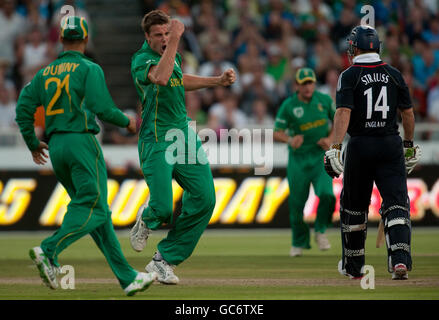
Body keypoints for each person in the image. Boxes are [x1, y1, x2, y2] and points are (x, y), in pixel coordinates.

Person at [15, 16, 157, 295]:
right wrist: (128, 122)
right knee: (94, 207)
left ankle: (127, 277)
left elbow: (23, 108)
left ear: (61, 40)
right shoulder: (89, 68)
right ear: (86, 39)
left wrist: (33, 142)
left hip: (56, 147)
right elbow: (100, 107)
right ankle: (49, 250)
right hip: (81, 141)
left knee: (96, 213)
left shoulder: (45, 73)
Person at [129, 10, 235, 284]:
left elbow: (177, 79)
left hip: (183, 135)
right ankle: (147, 216)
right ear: (147, 36)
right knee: (163, 209)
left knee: (205, 198)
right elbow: (162, 77)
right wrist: (176, 38)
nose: (164, 39)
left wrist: (216, 81)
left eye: (167, 33)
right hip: (156, 139)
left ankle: (163, 261)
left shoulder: (172, 56)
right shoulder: (140, 59)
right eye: (158, 35)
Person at [324, 25, 421, 280]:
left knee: (354, 207)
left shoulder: (349, 75)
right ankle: (400, 261)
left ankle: (354, 268)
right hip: (390, 145)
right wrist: (408, 145)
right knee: (397, 204)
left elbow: (343, 112)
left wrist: (335, 147)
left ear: (354, 49)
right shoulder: (395, 74)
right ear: (377, 47)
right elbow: (408, 114)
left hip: (361, 145)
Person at [273, 67, 336, 257]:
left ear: (315, 83)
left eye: (310, 82)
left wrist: (331, 139)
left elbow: (340, 120)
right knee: (297, 203)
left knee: (327, 195)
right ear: (297, 86)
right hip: (298, 159)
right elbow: (277, 132)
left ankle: (321, 230)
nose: (308, 87)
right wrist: (291, 140)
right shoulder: (289, 105)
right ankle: (298, 242)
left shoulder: (324, 100)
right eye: (303, 84)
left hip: (319, 156)